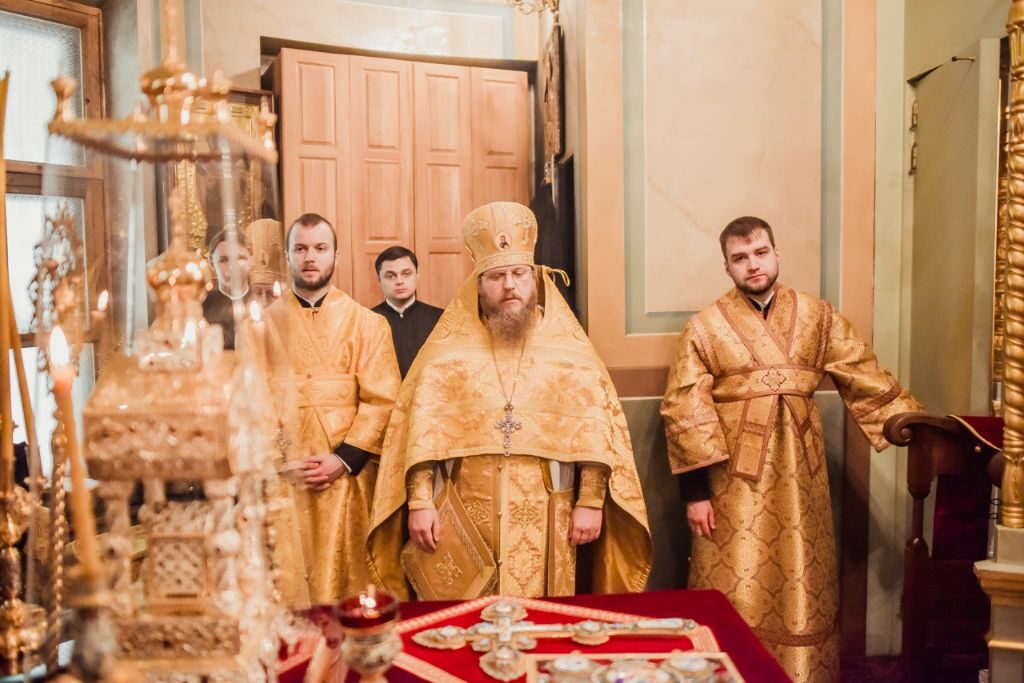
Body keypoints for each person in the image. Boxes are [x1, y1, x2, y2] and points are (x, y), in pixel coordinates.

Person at [660, 216, 923, 683]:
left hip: (803, 471)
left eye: (760, 253)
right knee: (736, 576)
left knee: (802, 574)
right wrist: (695, 493)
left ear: (776, 254)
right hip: (731, 482)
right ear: (727, 267)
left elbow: (861, 370)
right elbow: (685, 407)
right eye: (740, 258)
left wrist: (911, 425)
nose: (753, 265)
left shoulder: (817, 316)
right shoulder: (704, 327)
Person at [368, 201, 652, 600]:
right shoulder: (445, 354)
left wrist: (591, 500)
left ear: (535, 278)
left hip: (549, 510)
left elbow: (595, 428)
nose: (510, 286)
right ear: (479, 284)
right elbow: (418, 432)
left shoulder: (568, 352)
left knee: (542, 621)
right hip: (462, 510)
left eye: (519, 274)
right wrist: (419, 502)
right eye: (497, 276)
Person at [262, 212, 401, 603]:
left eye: (320, 248)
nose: (310, 257)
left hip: (347, 480)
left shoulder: (368, 324)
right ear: (287, 256)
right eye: (301, 248)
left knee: (350, 587)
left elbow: (384, 400)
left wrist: (342, 459)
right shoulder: (258, 328)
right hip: (285, 480)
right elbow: (248, 401)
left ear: (335, 256)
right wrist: (278, 461)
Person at [371, 246, 444, 378]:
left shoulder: (441, 319)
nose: (399, 281)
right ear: (379, 280)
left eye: (406, 273)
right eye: (390, 276)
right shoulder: (366, 320)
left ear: (417, 274)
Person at [203, 229, 254, 349]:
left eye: (241, 258)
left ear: (252, 261)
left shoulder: (264, 303)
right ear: (211, 263)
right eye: (224, 260)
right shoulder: (200, 307)